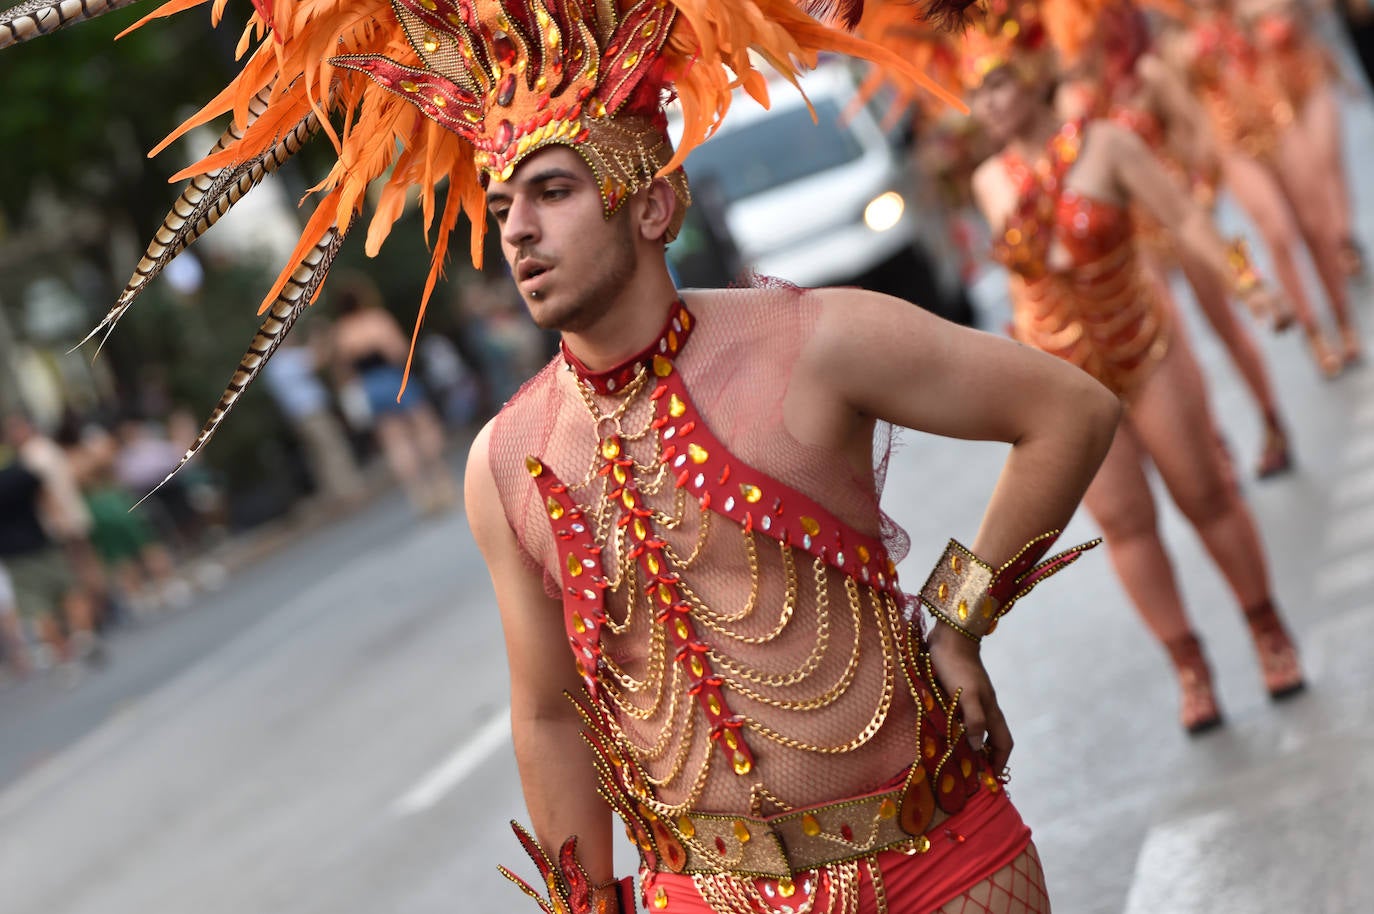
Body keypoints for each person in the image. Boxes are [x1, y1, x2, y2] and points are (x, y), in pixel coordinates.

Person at [0, 2, 1107, 911]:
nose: (517, 228)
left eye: (553, 191)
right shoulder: (505, 459)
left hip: (939, 863)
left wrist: (958, 615)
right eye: (501, 203)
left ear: (655, 202)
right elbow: (544, 710)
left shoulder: (819, 341)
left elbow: (1067, 408)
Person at [955, 1, 1305, 733]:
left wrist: (1249, 285)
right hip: (1066, 380)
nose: (987, 104)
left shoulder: (1105, 146)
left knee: (1203, 493)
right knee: (1124, 523)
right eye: (976, 92)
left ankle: (1267, 627)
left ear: (1033, 75)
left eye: (996, 83)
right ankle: (1189, 664)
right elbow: (1021, 291)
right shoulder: (990, 181)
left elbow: (1184, 218)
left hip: (1142, 349)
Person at [1057, 1, 1295, 478]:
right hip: (1133, 236)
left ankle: (1272, 421)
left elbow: (1197, 132)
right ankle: (1213, 446)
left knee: (1223, 322)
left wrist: (1200, 196)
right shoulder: (1074, 99)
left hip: (1175, 211)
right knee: (1169, 345)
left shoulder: (1146, 73)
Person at [1163, 0, 1363, 374]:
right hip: (1233, 146)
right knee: (1277, 231)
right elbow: (1176, 100)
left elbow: (1288, 18)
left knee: (1316, 226)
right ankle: (1314, 334)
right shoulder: (1173, 32)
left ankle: (1343, 321)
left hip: (1280, 122)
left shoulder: (1246, 9)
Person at [328, 277, 459, 516]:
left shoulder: (342, 332)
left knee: (395, 441)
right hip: (393, 378)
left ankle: (420, 496)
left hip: (369, 386)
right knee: (423, 427)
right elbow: (398, 351)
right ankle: (442, 484)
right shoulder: (376, 320)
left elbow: (343, 369)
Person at [262, 332, 368, 506]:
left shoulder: (272, 367)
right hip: (312, 411)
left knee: (318, 456)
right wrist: (319, 340)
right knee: (332, 448)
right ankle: (349, 490)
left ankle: (333, 495)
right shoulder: (288, 359)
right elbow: (317, 360)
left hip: (298, 417)